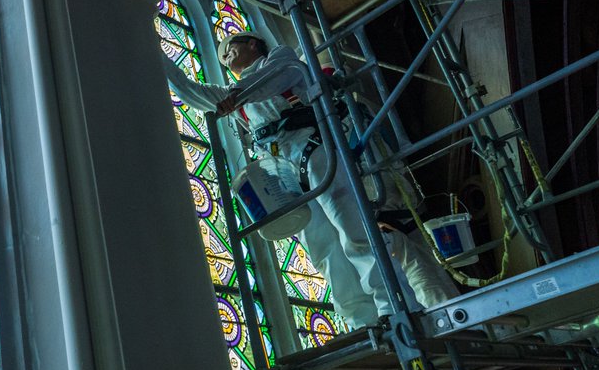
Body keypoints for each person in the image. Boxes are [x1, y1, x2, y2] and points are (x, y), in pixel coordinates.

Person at [161, 31, 455, 327]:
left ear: (252, 44)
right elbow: (190, 91)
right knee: (324, 249)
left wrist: (237, 95)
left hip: (314, 147)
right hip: (284, 173)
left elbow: (279, 77)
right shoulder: (234, 93)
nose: (225, 55)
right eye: (222, 54)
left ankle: (393, 304)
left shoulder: (280, 58)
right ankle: (364, 321)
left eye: (230, 47)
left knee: (352, 227)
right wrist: (154, 48)